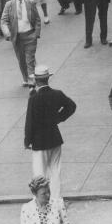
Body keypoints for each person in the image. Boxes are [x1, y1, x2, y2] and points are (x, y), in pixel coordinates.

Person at [24, 66, 76, 200]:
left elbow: (30, 122)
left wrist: (27, 140)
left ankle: (42, 201)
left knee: (40, 174)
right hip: (54, 137)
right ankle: (56, 200)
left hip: (39, 141)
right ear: (48, 78)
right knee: (55, 172)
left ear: (36, 80)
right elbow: (71, 106)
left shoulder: (34, 98)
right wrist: (59, 118)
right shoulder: (57, 94)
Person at [1, 0, 42, 87]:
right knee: (21, 59)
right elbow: (4, 21)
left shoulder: (30, 3)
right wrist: (7, 33)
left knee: (30, 59)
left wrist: (36, 33)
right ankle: (25, 77)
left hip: (30, 36)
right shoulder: (9, 5)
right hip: (17, 37)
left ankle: (32, 80)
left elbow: (37, 19)